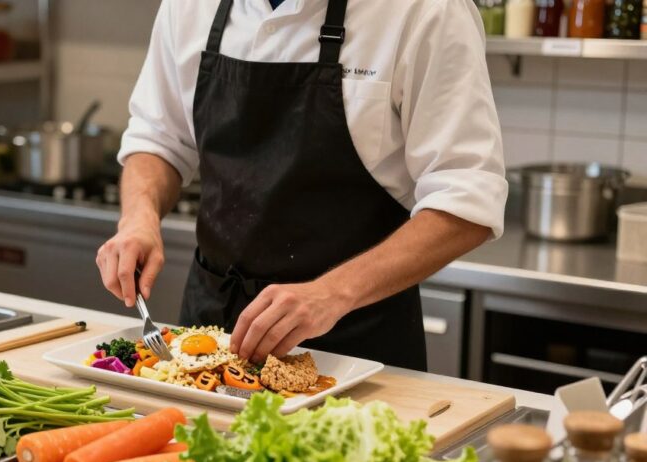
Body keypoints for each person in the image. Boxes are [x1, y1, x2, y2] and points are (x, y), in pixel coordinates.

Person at [96, 0, 507, 370]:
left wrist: (332, 293)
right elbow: (160, 140)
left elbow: (467, 198)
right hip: (209, 333)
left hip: (357, 349)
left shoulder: (424, 11)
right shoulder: (189, 7)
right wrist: (139, 217)